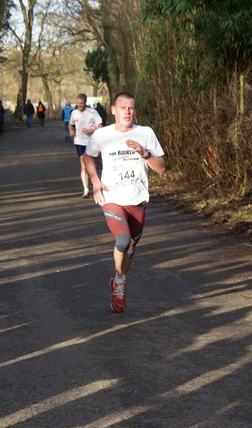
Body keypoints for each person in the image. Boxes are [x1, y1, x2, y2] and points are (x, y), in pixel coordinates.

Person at [84, 91, 166, 312]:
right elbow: (87, 155)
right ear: (113, 110)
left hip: (137, 197)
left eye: (131, 108)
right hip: (111, 196)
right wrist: (95, 180)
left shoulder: (145, 133)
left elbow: (161, 168)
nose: (127, 112)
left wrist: (144, 153)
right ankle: (120, 284)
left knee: (130, 249)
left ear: (134, 111)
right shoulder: (102, 135)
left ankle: (117, 279)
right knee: (123, 239)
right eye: (123, 108)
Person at [69, 93, 102, 198]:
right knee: (83, 165)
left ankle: (96, 185)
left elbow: (100, 125)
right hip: (79, 142)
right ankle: (86, 189)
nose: (79, 106)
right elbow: (70, 124)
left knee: (91, 165)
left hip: (91, 141)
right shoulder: (74, 113)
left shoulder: (92, 112)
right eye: (78, 103)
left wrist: (90, 130)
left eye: (81, 104)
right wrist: (70, 130)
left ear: (85, 103)